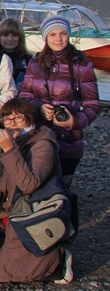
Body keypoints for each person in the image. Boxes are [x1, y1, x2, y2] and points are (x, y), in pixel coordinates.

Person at [0, 98, 73, 284]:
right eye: (7, 119)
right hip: (9, 211)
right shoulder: (10, 142)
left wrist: (10, 150)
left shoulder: (43, 144)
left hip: (34, 213)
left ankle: (59, 261)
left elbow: (29, 184)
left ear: (30, 119)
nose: (12, 123)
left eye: (18, 117)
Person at [19, 15, 99, 176]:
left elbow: (92, 105)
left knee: (63, 185)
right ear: (45, 37)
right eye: (53, 34)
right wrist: (39, 108)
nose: (58, 39)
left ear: (68, 35)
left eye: (62, 33)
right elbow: (24, 98)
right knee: (36, 183)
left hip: (69, 139)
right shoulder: (35, 64)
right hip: (38, 137)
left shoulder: (83, 66)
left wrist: (74, 121)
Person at [0, 17, 32, 89]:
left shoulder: (30, 61)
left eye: (15, 35)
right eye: (5, 35)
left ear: (20, 37)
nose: (10, 39)